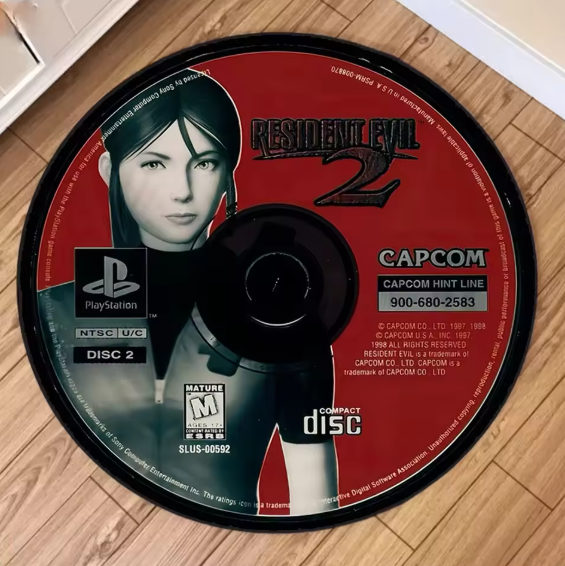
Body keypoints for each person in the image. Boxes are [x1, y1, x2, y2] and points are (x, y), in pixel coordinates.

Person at [38, 68, 338, 516]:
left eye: (204, 163)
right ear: (109, 171)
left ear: (228, 173)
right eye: (153, 163)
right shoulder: (50, 313)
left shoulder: (284, 321)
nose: (181, 191)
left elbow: (315, 507)